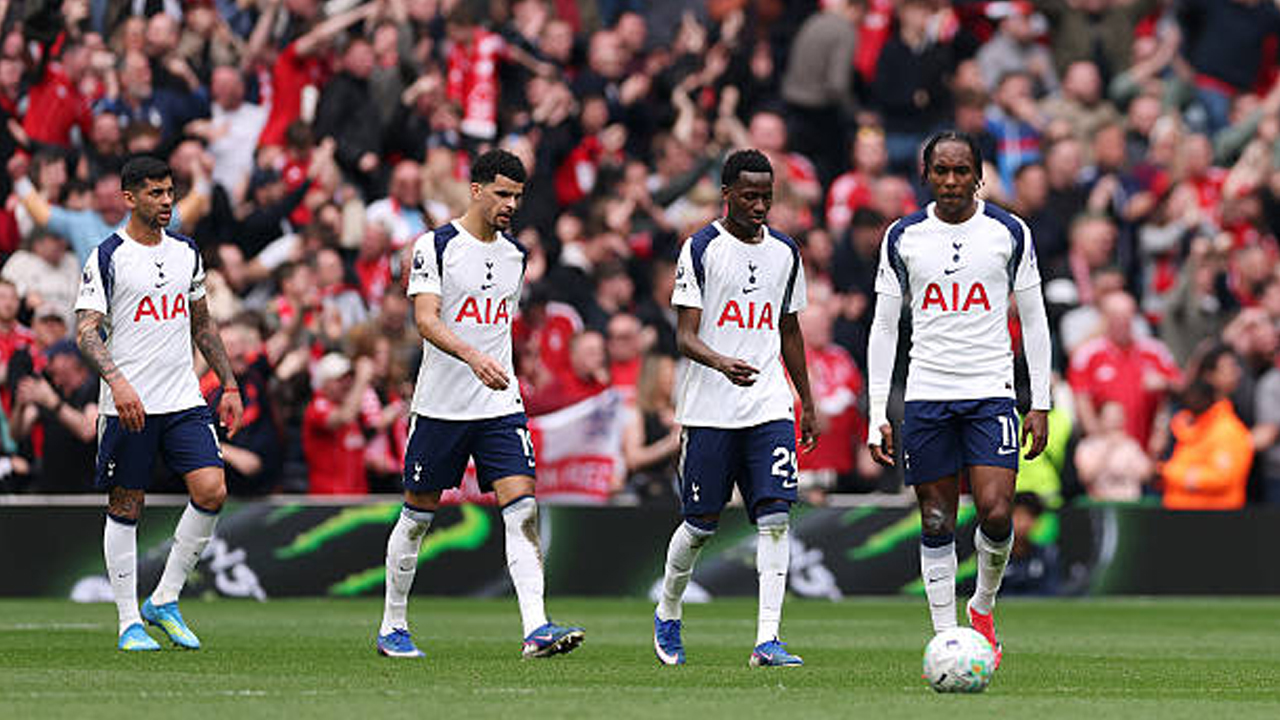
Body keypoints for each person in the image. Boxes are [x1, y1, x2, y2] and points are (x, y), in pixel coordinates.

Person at [377, 149, 584, 660]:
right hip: (442, 404)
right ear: (475, 190)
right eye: (502, 193)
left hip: (498, 403)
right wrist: (472, 356)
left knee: (523, 508)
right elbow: (425, 319)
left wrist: (502, 365)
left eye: (517, 195)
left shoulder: (516, 256)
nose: (511, 204)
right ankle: (392, 625)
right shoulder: (436, 245)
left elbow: (497, 325)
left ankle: (536, 628)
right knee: (418, 514)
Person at [866, 132, 1052, 670]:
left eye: (961, 171)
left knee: (996, 513)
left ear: (979, 176)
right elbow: (883, 327)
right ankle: (947, 638)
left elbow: (1035, 320)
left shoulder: (1008, 231)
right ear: (926, 174)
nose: (951, 181)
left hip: (991, 392)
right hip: (927, 396)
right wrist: (879, 411)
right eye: (942, 171)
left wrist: (1038, 400)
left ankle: (983, 607)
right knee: (936, 520)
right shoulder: (903, 237)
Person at [653, 149, 818, 668]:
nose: (760, 206)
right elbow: (684, 335)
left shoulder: (786, 253)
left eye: (767, 196)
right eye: (749, 196)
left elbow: (789, 329)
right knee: (700, 524)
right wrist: (722, 362)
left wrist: (804, 400)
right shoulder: (700, 248)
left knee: (774, 518)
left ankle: (767, 639)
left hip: (768, 404)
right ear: (727, 194)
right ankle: (669, 609)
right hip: (709, 409)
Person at [73, 156, 243, 652]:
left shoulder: (187, 252)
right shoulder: (107, 255)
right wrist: (118, 383)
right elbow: (86, 329)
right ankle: (128, 620)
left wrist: (228, 384)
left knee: (212, 490)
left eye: (170, 192)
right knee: (127, 504)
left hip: (183, 398)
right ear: (130, 198)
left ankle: (164, 599)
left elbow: (203, 324)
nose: (167, 201)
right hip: (129, 403)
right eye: (155, 193)